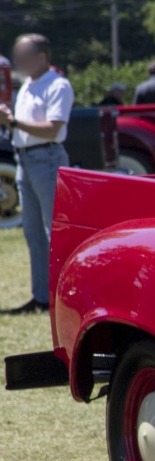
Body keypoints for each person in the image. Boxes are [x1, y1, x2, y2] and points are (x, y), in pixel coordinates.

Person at [0, 34, 73, 314]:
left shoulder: (58, 85)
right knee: (32, 232)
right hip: (25, 161)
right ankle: (42, 297)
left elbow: (53, 129)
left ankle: (62, 299)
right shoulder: (27, 86)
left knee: (53, 231)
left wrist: (13, 121)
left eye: (23, 56)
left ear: (42, 57)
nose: (18, 62)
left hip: (47, 159)